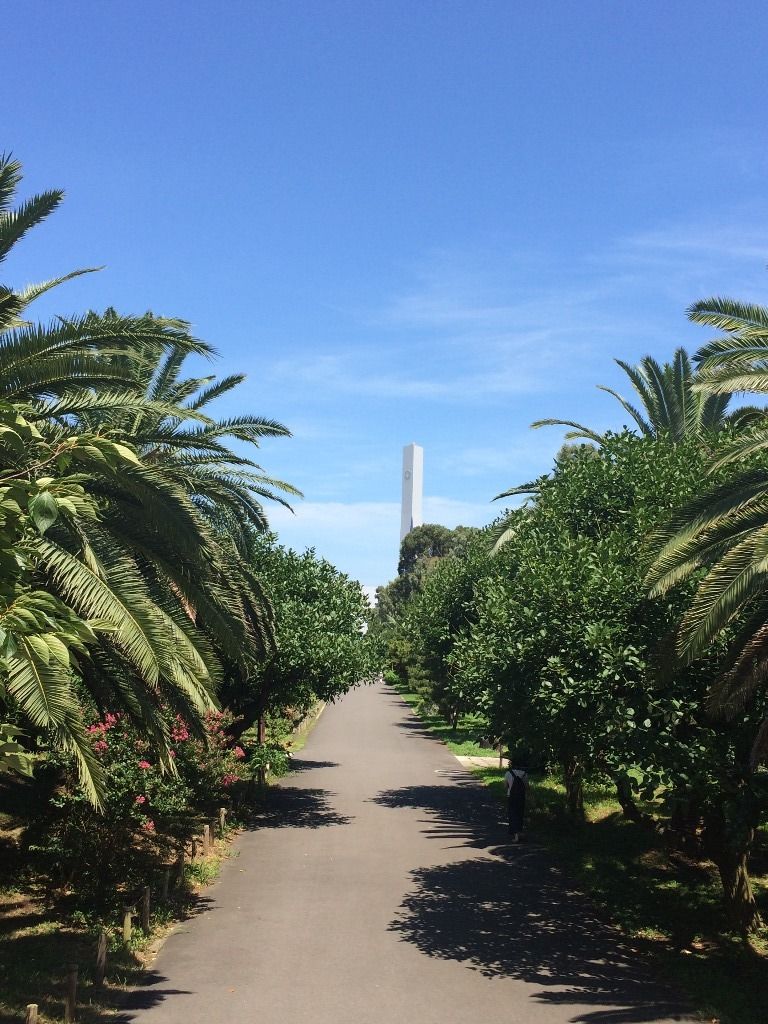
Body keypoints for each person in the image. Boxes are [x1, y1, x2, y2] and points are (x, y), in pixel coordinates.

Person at [504, 758, 528, 842]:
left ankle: (515, 835)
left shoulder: (508, 773)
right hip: (521, 797)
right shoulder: (524, 774)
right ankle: (519, 832)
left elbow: (505, 786)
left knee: (512, 814)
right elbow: (526, 787)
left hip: (511, 796)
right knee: (520, 814)